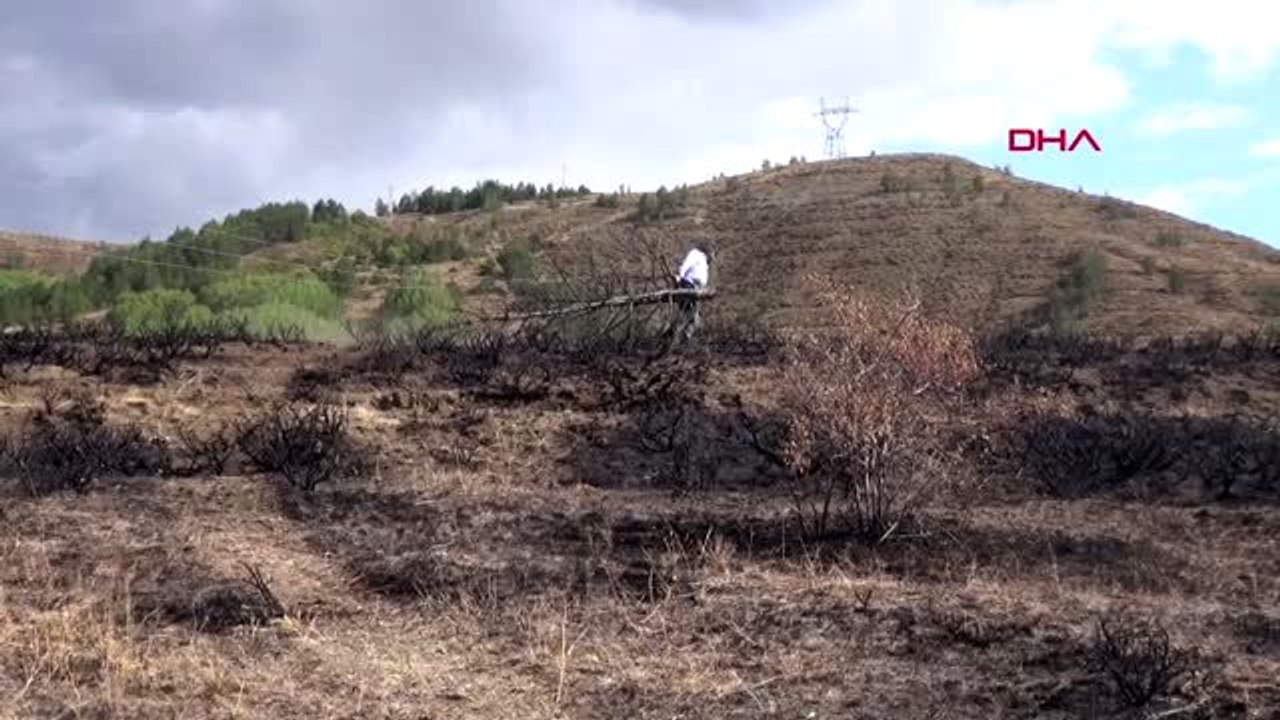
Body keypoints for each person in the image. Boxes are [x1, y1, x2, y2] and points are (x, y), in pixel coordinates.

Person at [673, 245, 712, 345]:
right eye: (712, 255)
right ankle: (681, 339)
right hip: (688, 286)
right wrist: (679, 277)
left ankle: (685, 338)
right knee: (690, 315)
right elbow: (685, 265)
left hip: (695, 289)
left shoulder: (703, 261)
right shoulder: (696, 255)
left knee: (693, 316)